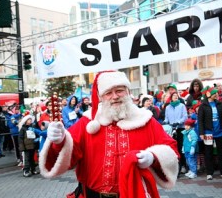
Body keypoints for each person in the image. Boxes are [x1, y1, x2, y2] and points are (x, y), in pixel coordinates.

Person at [39, 71, 180, 198]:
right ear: (101, 97)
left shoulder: (146, 120)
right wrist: (59, 141)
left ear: (128, 91)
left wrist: (153, 157)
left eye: (119, 90)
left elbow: (171, 150)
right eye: (108, 93)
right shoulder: (87, 122)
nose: (114, 97)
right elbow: (68, 155)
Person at [198, 86, 222, 180]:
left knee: (221, 152)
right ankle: (209, 173)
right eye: (214, 93)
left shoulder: (219, 104)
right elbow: (200, 120)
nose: (217, 94)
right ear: (209, 95)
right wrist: (201, 133)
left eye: (217, 93)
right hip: (208, 132)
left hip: (219, 132)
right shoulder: (203, 105)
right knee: (208, 153)